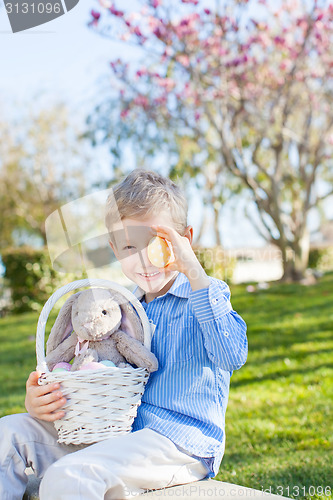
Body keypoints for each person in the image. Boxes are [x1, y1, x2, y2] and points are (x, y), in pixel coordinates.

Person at [0, 169, 248, 500]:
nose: (143, 259)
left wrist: (195, 274)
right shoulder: (120, 307)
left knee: (70, 477)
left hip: (178, 442)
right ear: (115, 250)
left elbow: (232, 355)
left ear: (184, 241)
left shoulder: (204, 294)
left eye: (156, 244)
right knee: (7, 436)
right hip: (114, 432)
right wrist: (44, 399)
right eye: (130, 246)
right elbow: (92, 367)